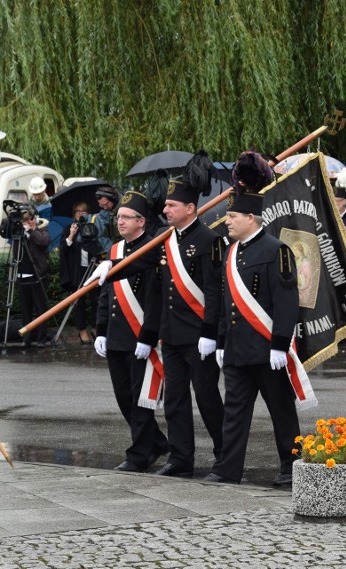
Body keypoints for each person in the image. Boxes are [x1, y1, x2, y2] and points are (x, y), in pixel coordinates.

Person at [87, 153, 225, 478]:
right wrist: (112, 268)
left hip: (199, 336)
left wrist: (211, 333)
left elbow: (215, 291)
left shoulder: (209, 240)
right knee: (175, 401)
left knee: (207, 400)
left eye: (171, 206)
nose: (164, 210)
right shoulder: (166, 241)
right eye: (165, 207)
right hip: (173, 336)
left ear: (190, 208)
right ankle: (180, 458)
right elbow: (140, 263)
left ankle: (225, 457)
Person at [204, 152, 301, 486]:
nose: (227, 221)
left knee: (281, 410)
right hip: (236, 350)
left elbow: (288, 301)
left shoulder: (276, 250)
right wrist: (219, 341)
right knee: (234, 413)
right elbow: (223, 302)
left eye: (232, 216)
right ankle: (227, 468)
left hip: (266, 350)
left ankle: (291, 468)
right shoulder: (230, 253)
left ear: (251, 217)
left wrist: (279, 345)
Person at [93, 191, 169, 472]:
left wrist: (148, 335)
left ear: (141, 221)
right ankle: (157, 442)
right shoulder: (114, 251)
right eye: (118, 217)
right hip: (116, 336)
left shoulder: (151, 249)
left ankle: (139, 454)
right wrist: (101, 330)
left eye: (126, 217)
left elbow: (154, 297)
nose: (120, 222)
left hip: (140, 336)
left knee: (141, 399)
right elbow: (106, 295)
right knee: (124, 397)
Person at [59, 201, 94, 344]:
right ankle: (82, 331)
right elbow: (63, 249)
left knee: (96, 300)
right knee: (79, 302)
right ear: (74, 214)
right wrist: (71, 235)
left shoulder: (92, 227)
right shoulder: (68, 228)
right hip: (77, 270)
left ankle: (96, 327)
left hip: (92, 268)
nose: (80, 214)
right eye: (78, 212)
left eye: (83, 211)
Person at [15, 208, 51, 347]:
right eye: (25, 220)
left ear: (34, 219)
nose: (28, 222)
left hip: (38, 275)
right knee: (25, 309)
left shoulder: (42, 231)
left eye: (30, 219)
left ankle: (41, 338)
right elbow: (16, 252)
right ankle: (27, 338)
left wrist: (30, 231)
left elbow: (43, 242)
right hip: (22, 274)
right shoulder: (19, 233)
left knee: (40, 308)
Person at [92, 186, 120, 255]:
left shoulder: (125, 208)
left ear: (114, 199)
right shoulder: (107, 213)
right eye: (101, 205)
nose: (105, 207)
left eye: (106, 204)